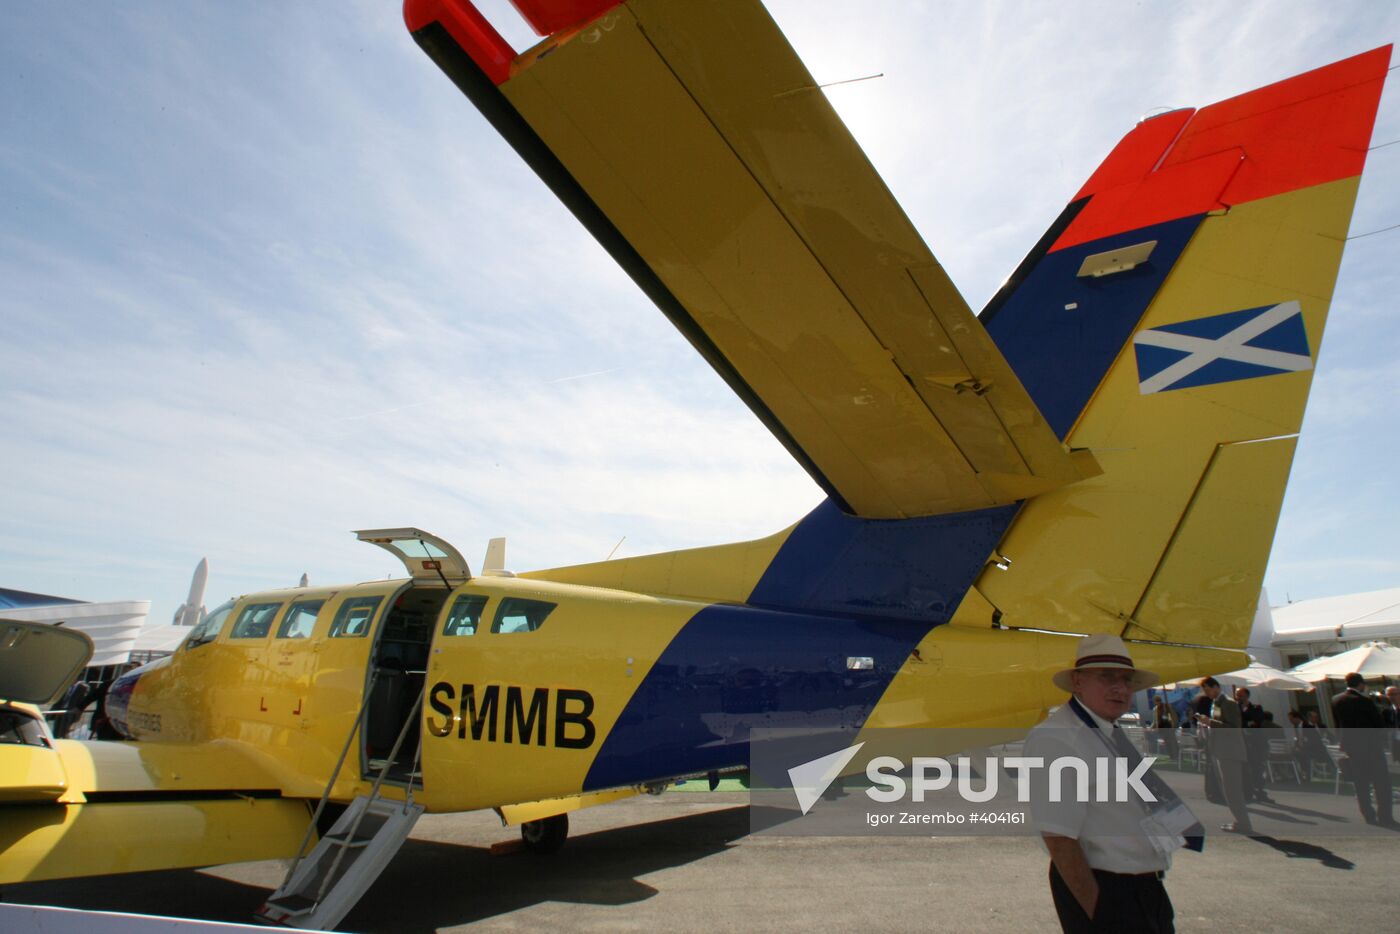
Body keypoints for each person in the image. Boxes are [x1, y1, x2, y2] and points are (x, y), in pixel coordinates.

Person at [1026, 634, 1203, 933]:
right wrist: (1100, 913)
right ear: (1078, 681)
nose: (1120, 687)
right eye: (1106, 677)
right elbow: (1059, 839)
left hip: (1146, 889)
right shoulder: (1056, 739)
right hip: (1108, 892)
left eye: (1126, 679)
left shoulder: (1107, 732)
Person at [1331, 672, 1395, 827]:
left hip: (1352, 747)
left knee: (1361, 782)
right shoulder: (1364, 701)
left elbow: (1338, 724)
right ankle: (1384, 816)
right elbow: (1378, 725)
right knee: (1381, 783)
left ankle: (1368, 814)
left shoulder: (1336, 700)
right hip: (1371, 746)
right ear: (1361, 684)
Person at [1195, 677, 1253, 833]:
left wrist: (1210, 722)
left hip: (1230, 751)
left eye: (1207, 689)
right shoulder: (1217, 703)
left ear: (1216, 687)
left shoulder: (1228, 703)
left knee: (1232, 789)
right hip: (1220, 750)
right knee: (1227, 789)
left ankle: (1243, 823)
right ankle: (1239, 821)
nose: (1206, 693)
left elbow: (1233, 727)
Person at [1234, 687, 1271, 802]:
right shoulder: (1235, 708)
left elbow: (1257, 722)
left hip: (1255, 743)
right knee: (1244, 768)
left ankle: (1259, 790)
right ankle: (1247, 791)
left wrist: (1246, 723)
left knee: (1257, 768)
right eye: (1237, 695)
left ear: (1247, 696)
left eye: (1240, 695)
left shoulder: (1256, 708)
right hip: (1241, 743)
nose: (1238, 697)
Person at [1291, 709, 1333, 780]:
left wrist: (1328, 740)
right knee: (1299, 754)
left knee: (1302, 753)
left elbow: (1330, 736)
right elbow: (1304, 739)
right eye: (1314, 717)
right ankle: (1305, 773)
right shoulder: (1305, 726)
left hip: (1323, 748)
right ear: (1309, 718)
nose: (1316, 718)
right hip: (1313, 748)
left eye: (1317, 717)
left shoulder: (1321, 726)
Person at [1149, 695, 1178, 759]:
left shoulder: (1166, 707)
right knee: (1167, 742)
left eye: (1158, 700)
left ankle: (1176, 755)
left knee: (1173, 742)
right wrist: (1151, 728)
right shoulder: (1155, 709)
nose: (1157, 702)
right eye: (1156, 701)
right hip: (1162, 728)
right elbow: (1155, 721)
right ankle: (1172, 756)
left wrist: (1173, 724)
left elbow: (1171, 716)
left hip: (1168, 727)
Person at [1383, 686, 1400, 762]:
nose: (1392, 697)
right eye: (1389, 694)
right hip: (1396, 744)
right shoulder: (1386, 711)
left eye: (1394, 694)